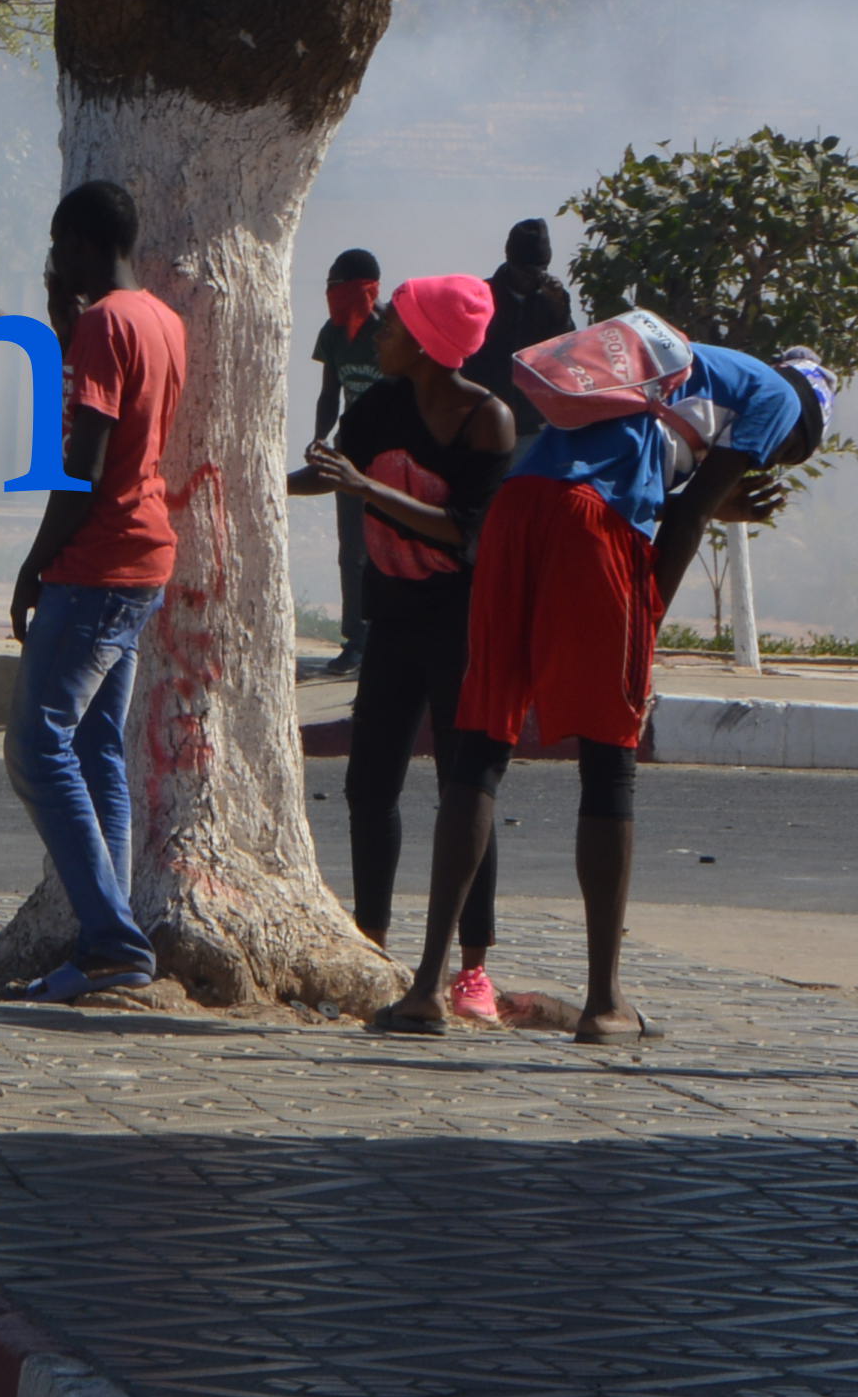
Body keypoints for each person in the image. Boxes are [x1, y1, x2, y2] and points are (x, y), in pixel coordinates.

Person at [379, 317, 827, 1040]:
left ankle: (426, 988)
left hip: (518, 508)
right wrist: (644, 632)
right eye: (789, 453)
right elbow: (683, 520)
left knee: (481, 746)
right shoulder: (778, 398)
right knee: (609, 760)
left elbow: (626, 474)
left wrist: (705, 501)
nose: (776, 459)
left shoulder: (670, 371)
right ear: (805, 422)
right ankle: (605, 1003)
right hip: (594, 529)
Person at [291, 272, 517, 1016]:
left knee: (464, 790)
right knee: (369, 785)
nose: (378, 336)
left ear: (424, 343)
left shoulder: (487, 420)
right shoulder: (382, 403)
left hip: (461, 623)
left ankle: (473, 968)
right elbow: (332, 474)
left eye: (390, 327)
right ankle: (374, 941)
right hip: (391, 616)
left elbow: (464, 533)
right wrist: (263, 481)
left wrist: (367, 489)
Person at [0, 180, 186, 1001]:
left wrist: (34, 564)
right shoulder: (159, 318)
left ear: (80, 241)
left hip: (96, 563)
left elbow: (84, 462)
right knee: (95, 748)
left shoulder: (107, 323)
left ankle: (112, 940)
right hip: (142, 558)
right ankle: (110, 935)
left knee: (36, 746)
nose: (53, 259)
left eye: (57, 244)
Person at [305, 247, 389, 674]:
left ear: (363, 289)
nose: (330, 292)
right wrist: (320, 438)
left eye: (337, 284)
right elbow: (329, 394)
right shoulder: (333, 333)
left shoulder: (392, 330)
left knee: (387, 549)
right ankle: (355, 640)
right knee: (352, 550)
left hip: (393, 457)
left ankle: (387, 639)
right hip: (349, 452)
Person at [466, 218, 577, 436]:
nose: (532, 278)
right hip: (486, 419)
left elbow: (567, 349)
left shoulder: (553, 298)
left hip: (535, 423)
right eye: (526, 271)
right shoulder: (482, 296)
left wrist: (559, 310)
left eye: (540, 270)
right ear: (511, 263)